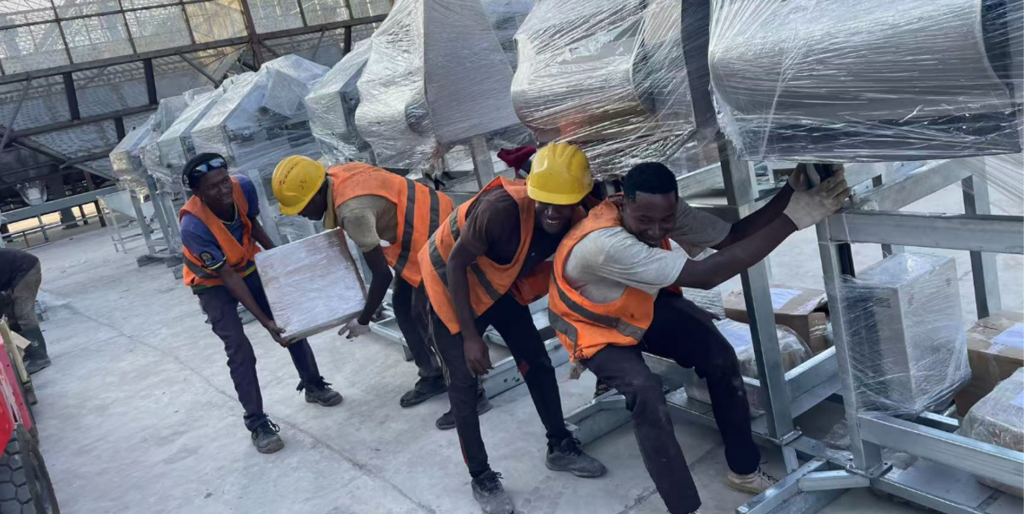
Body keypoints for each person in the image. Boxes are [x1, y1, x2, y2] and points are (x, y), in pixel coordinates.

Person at [548, 162, 850, 514]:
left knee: (719, 355)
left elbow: (732, 236)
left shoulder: (662, 209)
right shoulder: (604, 244)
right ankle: (684, 507)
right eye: (645, 220)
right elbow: (706, 275)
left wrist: (789, 193)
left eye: (666, 220)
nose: (656, 230)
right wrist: (793, 219)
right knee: (645, 392)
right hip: (594, 326)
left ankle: (743, 470)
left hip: (637, 305)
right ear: (624, 203)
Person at [418, 143, 606, 514]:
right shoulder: (501, 211)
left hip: (494, 286)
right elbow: (455, 264)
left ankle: (560, 445)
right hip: (449, 283)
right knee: (464, 386)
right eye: (544, 200)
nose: (552, 211)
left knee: (536, 361)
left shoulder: (579, 217)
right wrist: (471, 337)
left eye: (562, 203)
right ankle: (482, 477)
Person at [272, 156, 488, 415]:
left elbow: (381, 275)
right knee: (403, 306)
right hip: (418, 224)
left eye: (302, 206)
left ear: (318, 192)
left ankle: (471, 394)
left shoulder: (352, 212)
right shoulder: (337, 175)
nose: (301, 214)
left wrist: (363, 320)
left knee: (432, 316)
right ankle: (433, 374)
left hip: (433, 228)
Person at [179, 153, 342, 454]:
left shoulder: (242, 187)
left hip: (246, 265)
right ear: (197, 193)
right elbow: (227, 276)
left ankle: (313, 384)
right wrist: (265, 322)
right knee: (238, 348)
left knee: (289, 322)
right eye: (213, 187)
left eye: (224, 181)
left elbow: (251, 225)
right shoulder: (193, 225)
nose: (223, 190)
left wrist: (281, 260)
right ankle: (257, 422)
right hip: (212, 283)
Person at [0, 248, 50, 373]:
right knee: (11, 318)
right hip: (13, 275)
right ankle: (29, 350)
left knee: (23, 314)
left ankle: (40, 357)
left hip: (26, 270)